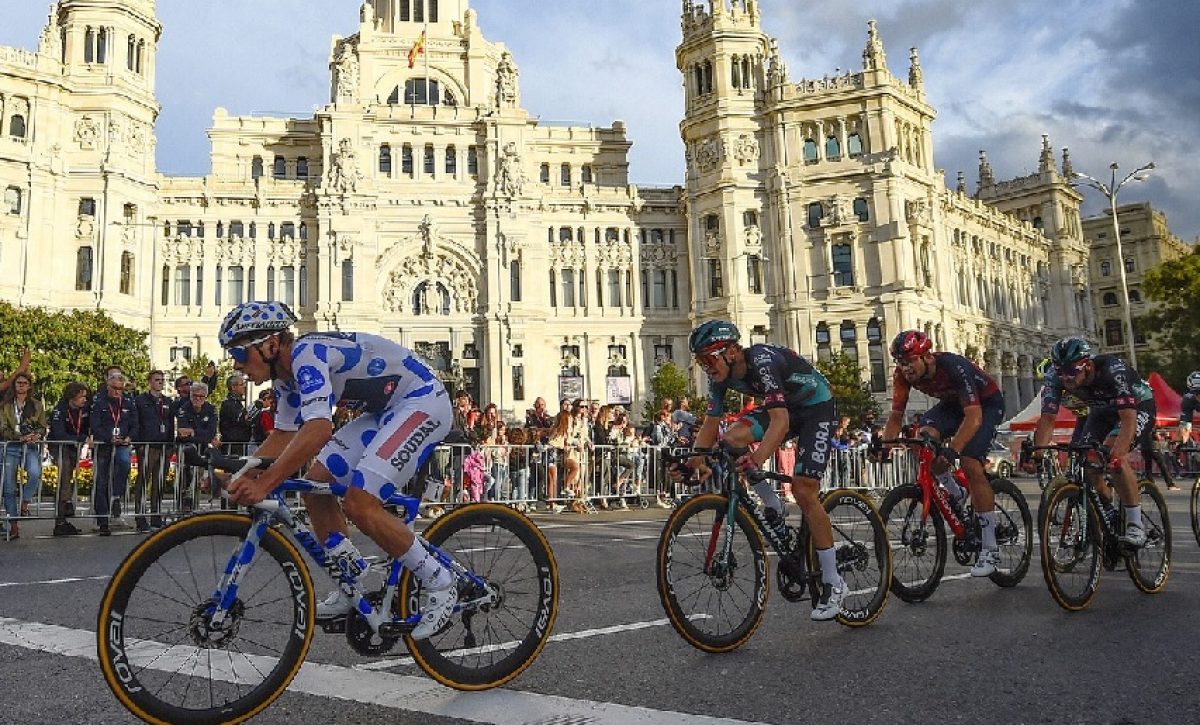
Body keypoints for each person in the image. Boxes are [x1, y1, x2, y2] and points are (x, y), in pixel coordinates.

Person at [219, 301, 458, 639]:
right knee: (314, 485)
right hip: (383, 412)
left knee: (360, 503)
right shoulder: (286, 381)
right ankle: (351, 583)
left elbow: (318, 430)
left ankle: (441, 582)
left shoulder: (307, 355)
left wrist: (266, 483)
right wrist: (240, 475)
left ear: (271, 345)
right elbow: (283, 437)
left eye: (240, 355)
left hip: (421, 401)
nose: (236, 365)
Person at [675, 320, 846, 620]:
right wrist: (691, 463)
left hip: (815, 408)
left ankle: (833, 582)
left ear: (730, 352)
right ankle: (772, 504)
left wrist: (759, 459)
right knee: (731, 438)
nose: (706, 368)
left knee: (805, 490)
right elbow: (711, 426)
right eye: (700, 361)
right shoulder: (720, 378)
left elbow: (780, 422)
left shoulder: (762, 362)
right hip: (784, 409)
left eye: (708, 359)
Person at [881, 330, 1006, 577]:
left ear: (926, 356)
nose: (905, 368)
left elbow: (974, 417)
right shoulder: (902, 376)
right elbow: (896, 416)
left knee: (969, 462)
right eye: (900, 363)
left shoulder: (953, 366)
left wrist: (952, 451)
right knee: (921, 438)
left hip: (985, 404)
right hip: (952, 405)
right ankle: (954, 490)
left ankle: (990, 548)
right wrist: (883, 447)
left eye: (909, 361)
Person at [1030, 337, 1155, 548]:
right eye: (1060, 371)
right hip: (1100, 411)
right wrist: (1037, 454)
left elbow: (1127, 420)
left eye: (1071, 371)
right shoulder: (1054, 377)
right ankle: (1109, 514)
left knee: (1115, 459)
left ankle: (1136, 525)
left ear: (1087, 365)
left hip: (1136, 408)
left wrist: (1118, 454)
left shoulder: (1112, 371)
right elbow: (1048, 418)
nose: (1066, 378)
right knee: (1088, 463)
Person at [89, 370, 139, 536]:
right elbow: (95, 425)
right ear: (108, 386)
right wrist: (109, 438)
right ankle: (102, 520)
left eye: (120, 388)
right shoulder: (99, 402)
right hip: (104, 445)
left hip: (122, 444)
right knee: (101, 481)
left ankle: (116, 496)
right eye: (115, 388)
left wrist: (129, 437)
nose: (118, 391)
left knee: (124, 464)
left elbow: (135, 424)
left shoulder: (128, 403)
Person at [0, 372, 48, 540]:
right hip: (12, 446)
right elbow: (3, 428)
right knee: (9, 486)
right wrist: (18, 437)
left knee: (35, 473)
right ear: (14, 386)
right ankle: (13, 525)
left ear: (29, 386)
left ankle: (25, 502)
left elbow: (43, 426)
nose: (20, 385)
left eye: (24, 382)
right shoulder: (5, 405)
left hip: (30, 446)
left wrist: (36, 435)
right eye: (18, 383)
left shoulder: (36, 405)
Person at [133, 370, 173, 532]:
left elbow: (171, 424)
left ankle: (156, 515)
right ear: (149, 382)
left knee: (159, 482)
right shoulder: (140, 400)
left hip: (163, 446)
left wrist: (171, 445)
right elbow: (136, 423)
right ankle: (140, 516)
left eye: (162, 380)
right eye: (157, 380)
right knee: (143, 481)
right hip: (147, 446)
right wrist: (138, 444)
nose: (160, 383)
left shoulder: (167, 401)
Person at [48, 382, 90, 536]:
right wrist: (80, 438)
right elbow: (59, 434)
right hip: (59, 447)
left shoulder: (84, 410)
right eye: (81, 396)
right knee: (64, 478)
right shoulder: (60, 409)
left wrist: (84, 437)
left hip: (73, 447)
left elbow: (87, 428)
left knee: (68, 480)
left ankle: (65, 509)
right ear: (72, 397)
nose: (84, 399)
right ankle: (60, 519)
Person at [177, 382, 220, 506]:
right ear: (190, 396)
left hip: (202, 451)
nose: (197, 399)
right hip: (186, 452)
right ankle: (181, 507)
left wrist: (193, 432)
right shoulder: (184, 408)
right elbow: (182, 434)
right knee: (184, 480)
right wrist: (199, 435)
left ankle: (194, 507)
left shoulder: (211, 409)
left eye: (201, 396)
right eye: (195, 395)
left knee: (197, 480)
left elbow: (210, 434)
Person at [1178, 370, 1199, 445]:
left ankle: (1184, 440)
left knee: (1185, 416)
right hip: (1191, 398)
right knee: (1186, 416)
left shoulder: (1188, 397)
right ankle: (1184, 439)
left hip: (1189, 397)